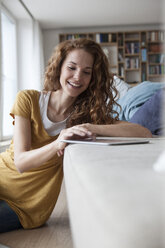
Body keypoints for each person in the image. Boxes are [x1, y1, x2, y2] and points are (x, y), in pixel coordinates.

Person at [0, 38, 152, 233]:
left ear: (93, 79)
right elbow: (21, 161)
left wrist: (91, 126)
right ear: (59, 67)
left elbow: (142, 132)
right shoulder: (28, 99)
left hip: (25, 205)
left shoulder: (85, 117)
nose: (78, 77)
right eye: (72, 67)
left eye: (86, 72)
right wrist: (59, 142)